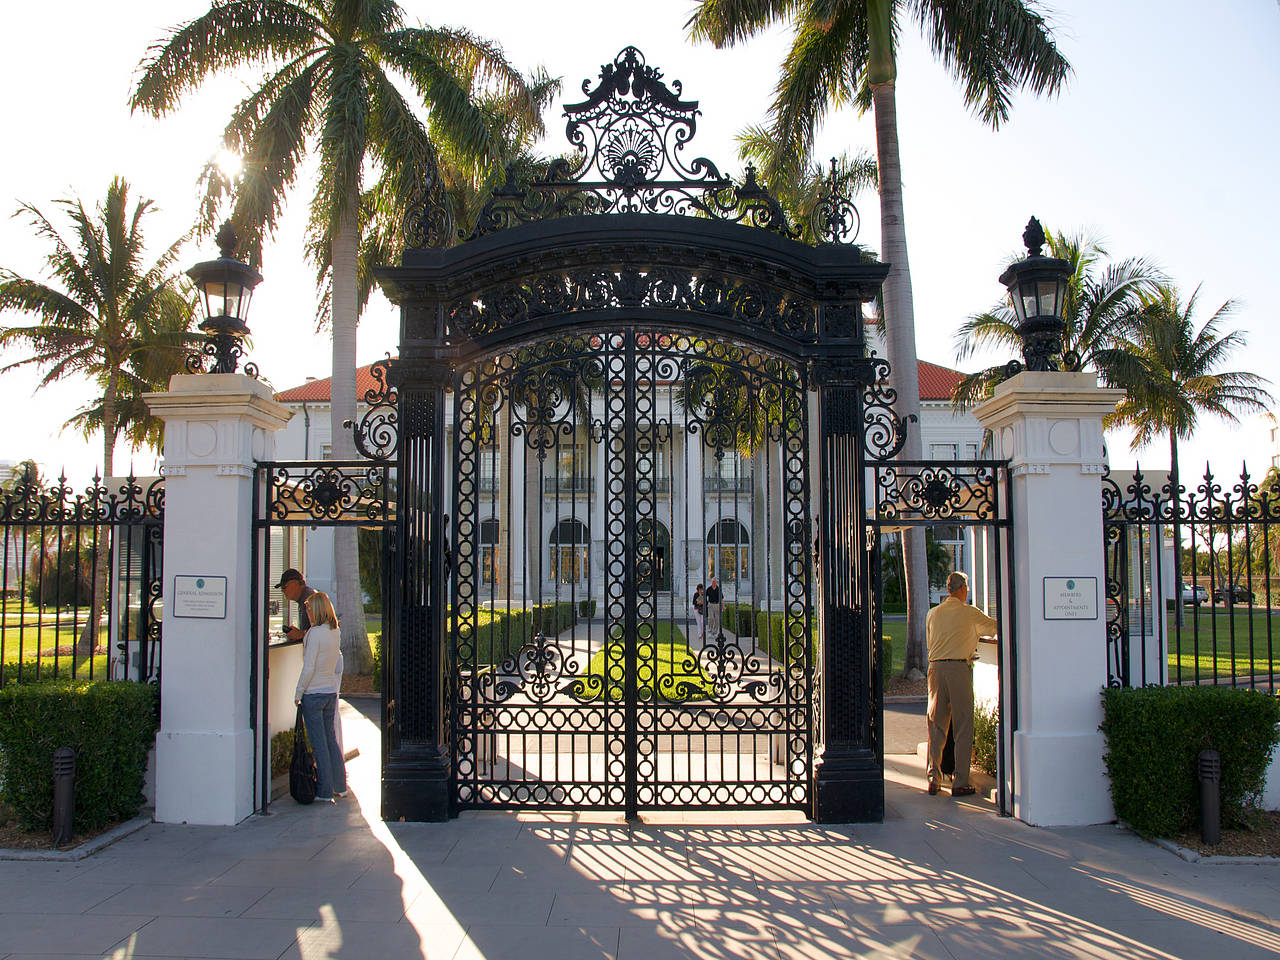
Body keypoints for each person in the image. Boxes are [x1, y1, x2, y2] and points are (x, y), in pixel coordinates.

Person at [925, 570, 997, 797]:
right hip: (958, 668)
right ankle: (961, 781)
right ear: (963, 589)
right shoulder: (970, 613)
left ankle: (933, 777)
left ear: (948, 590)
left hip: (935, 668)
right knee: (963, 725)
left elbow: (930, 641)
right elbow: (995, 627)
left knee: (936, 724)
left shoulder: (933, 613)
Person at [294, 591, 347, 803]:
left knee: (319, 744)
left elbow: (308, 668)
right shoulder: (335, 631)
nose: (306, 612)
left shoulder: (313, 634)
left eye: (308, 608)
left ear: (315, 609)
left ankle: (324, 791)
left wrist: (298, 693)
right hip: (329, 692)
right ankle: (339, 785)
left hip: (313, 693)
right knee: (331, 740)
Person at [277, 568, 315, 642]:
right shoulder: (306, 598)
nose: (282, 590)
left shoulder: (309, 599)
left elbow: (324, 630)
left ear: (300, 583)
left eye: (285, 586)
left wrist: (302, 634)